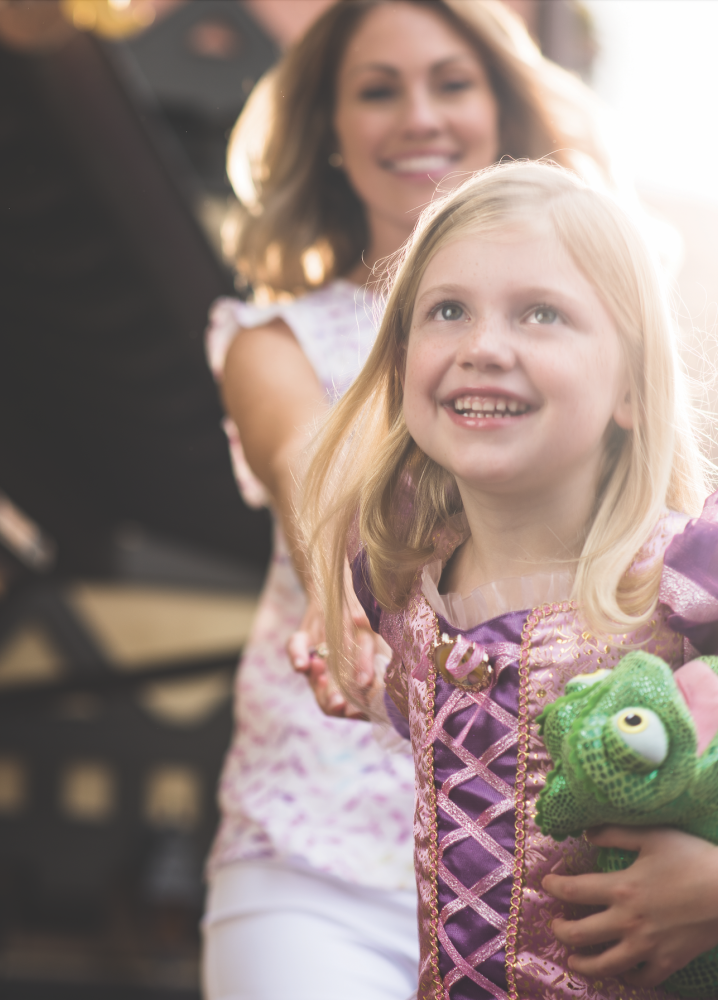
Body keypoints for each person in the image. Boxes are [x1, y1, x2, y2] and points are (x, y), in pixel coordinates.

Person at [201, 2, 613, 998]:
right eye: (376, 91)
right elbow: (314, 467)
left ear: (501, 108)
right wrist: (331, 583)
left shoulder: (600, 332)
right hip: (318, 855)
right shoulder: (273, 337)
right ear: (329, 136)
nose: (416, 115)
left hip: (553, 866)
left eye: (450, 81)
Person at [302, 159, 718, 999]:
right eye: (448, 310)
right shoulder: (397, 589)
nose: (483, 347)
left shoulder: (688, 579)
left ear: (631, 388)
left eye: (542, 313)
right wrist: (372, 687)